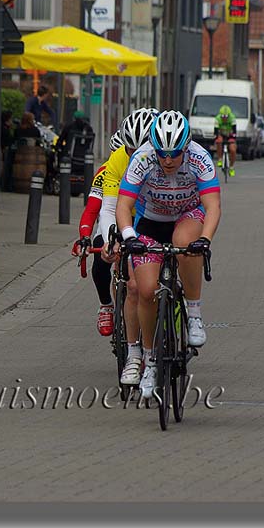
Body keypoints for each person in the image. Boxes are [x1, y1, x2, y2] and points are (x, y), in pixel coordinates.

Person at [113, 110, 221, 398]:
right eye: (162, 153)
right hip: (150, 222)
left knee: (186, 243)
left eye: (175, 153)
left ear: (186, 147)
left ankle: (194, 314)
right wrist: (129, 238)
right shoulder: (143, 158)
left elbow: (213, 206)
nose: (168, 160)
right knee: (145, 291)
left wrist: (205, 240)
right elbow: (123, 207)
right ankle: (149, 361)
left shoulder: (199, 158)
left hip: (187, 215)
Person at [97, 108, 157, 385]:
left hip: (158, 214)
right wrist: (111, 239)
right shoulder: (118, 159)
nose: (134, 155)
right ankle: (135, 353)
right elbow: (108, 207)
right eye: (129, 147)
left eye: (140, 148)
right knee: (132, 285)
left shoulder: (166, 159)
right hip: (128, 216)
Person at [71, 130, 124, 337]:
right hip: (109, 225)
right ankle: (106, 305)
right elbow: (92, 210)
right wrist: (84, 236)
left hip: (136, 223)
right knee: (100, 262)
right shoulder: (105, 172)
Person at [214, 104, 237, 177]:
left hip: (230, 135)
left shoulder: (232, 118)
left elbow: (234, 131)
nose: (224, 118)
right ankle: (220, 159)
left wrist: (232, 138)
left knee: (233, 149)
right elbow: (216, 132)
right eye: (223, 117)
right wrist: (218, 137)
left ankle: (231, 167)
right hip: (221, 135)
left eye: (226, 117)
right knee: (219, 141)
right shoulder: (217, 118)